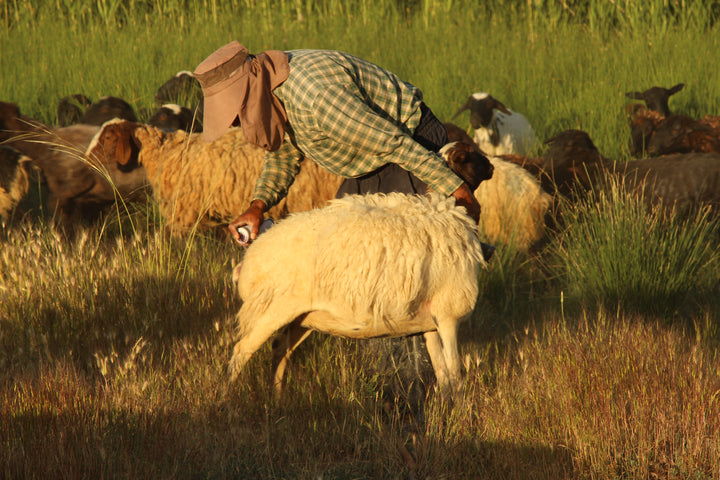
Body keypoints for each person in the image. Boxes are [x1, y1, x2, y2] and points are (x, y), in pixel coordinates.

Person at [193, 40, 482, 243]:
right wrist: (258, 206)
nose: (233, 123)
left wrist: (456, 188)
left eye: (233, 113)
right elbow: (284, 155)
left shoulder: (317, 98)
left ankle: (413, 326)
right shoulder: (270, 88)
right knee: (345, 241)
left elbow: (393, 143)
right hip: (370, 159)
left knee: (399, 255)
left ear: (247, 91)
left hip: (410, 142)